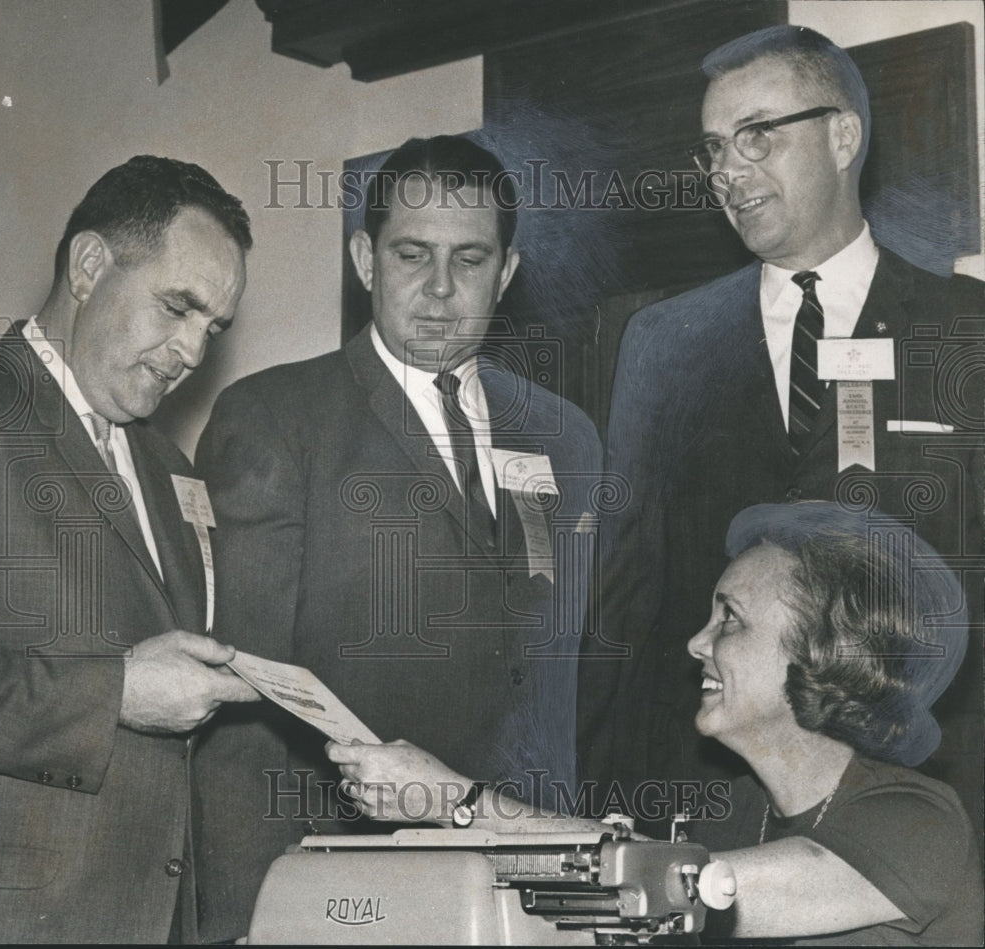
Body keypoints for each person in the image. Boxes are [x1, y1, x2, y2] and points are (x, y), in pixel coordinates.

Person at [193, 134, 603, 941]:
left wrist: (571, 875)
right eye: (413, 253)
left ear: (507, 273)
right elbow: (240, 701)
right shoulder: (277, 418)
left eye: (471, 259)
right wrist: (246, 917)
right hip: (342, 892)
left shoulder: (566, 437)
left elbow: (557, 687)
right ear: (364, 257)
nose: (441, 289)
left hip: (527, 888)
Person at [584, 25, 984, 839]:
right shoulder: (664, 341)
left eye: (757, 135)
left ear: (843, 136)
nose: (728, 172)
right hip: (711, 800)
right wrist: (608, 795)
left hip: (917, 796)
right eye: (713, 150)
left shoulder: (964, 327)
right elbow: (625, 594)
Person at [335, 501, 984, 945]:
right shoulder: (737, 809)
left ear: (820, 651)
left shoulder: (918, 822)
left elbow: (671, 887)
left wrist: (458, 800)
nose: (697, 643)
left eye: (729, 619)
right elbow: (634, 867)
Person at [0, 155, 260, 943]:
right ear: (89, 265)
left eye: (213, 328)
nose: (192, 352)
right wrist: (114, 694)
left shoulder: (171, 467)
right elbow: (127, 687)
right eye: (178, 307)